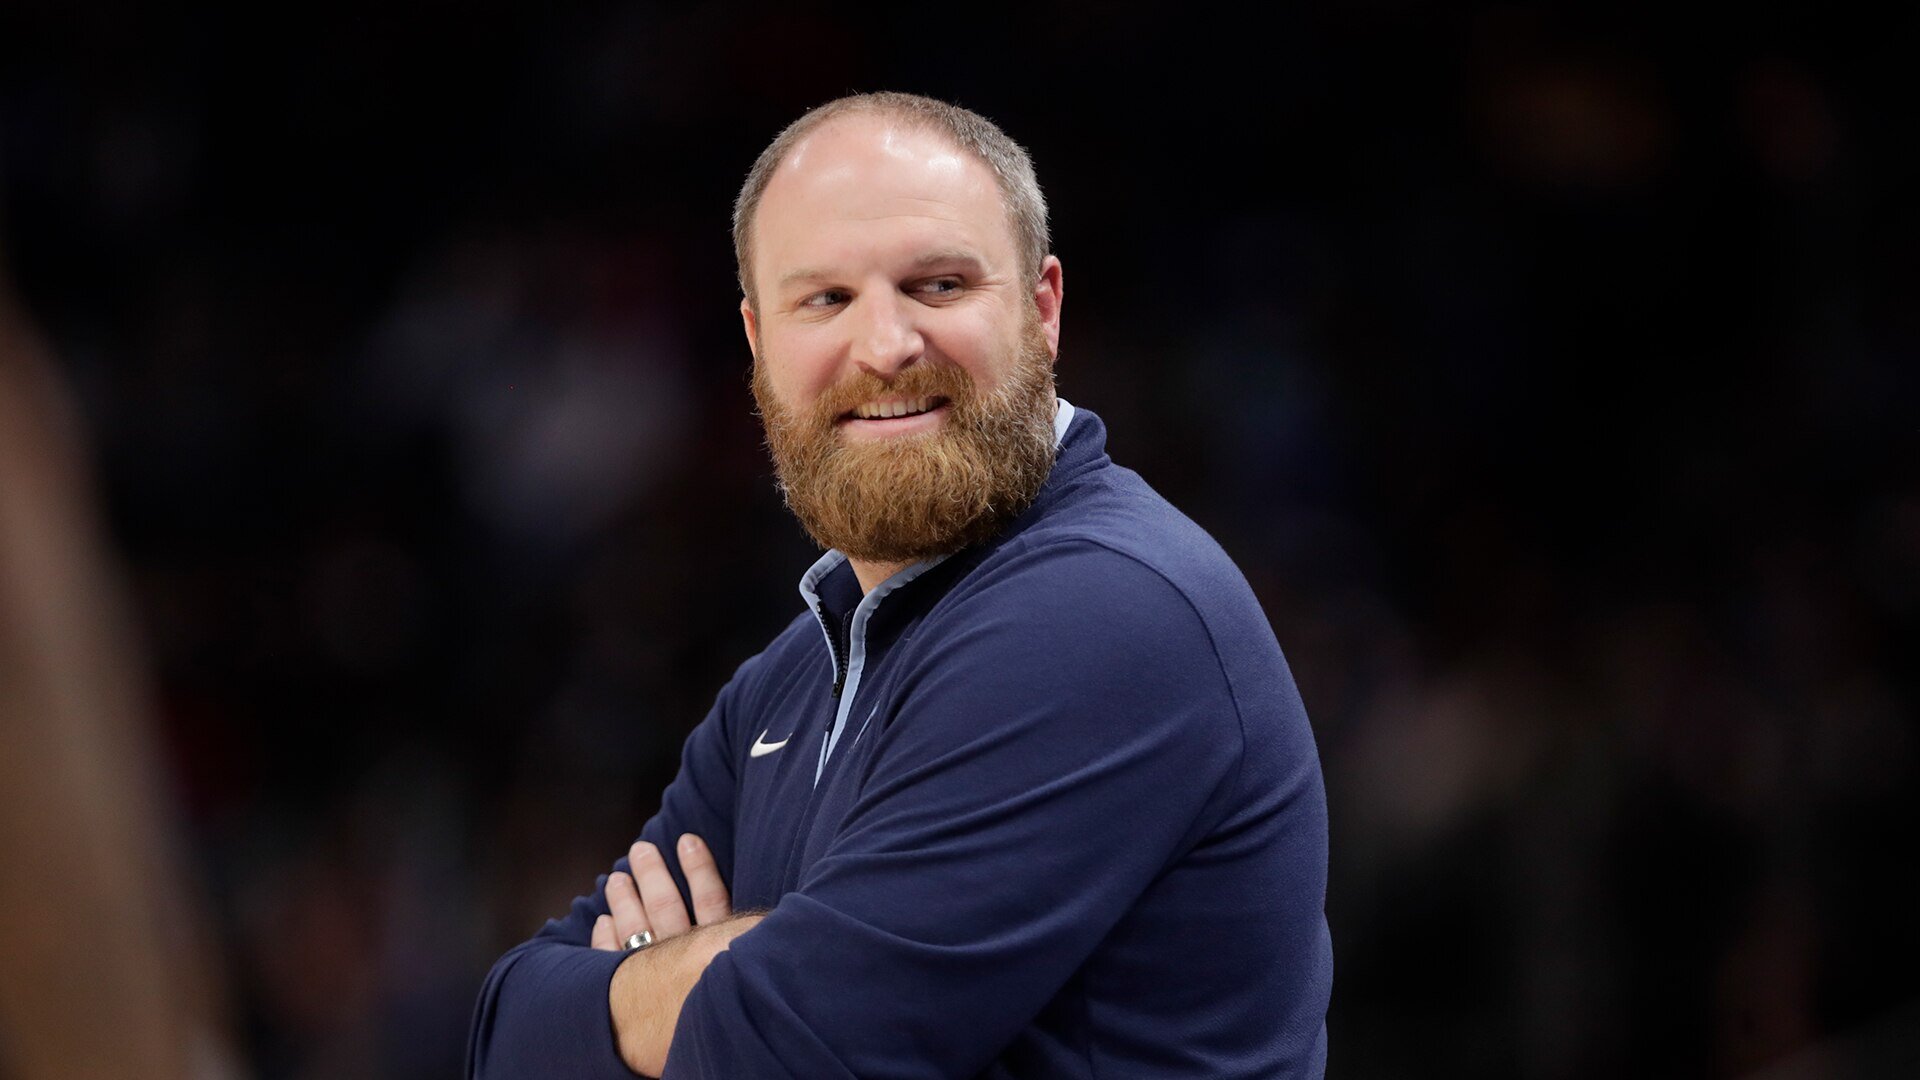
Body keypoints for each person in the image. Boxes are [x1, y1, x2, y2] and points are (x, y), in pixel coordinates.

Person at [467, 92, 1333, 1079]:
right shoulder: (788, 679)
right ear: (757, 344)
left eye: (938, 285)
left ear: (1043, 311)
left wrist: (662, 984)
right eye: (825, 300)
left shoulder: (1108, 613)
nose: (885, 347)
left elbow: (810, 1049)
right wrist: (732, 978)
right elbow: (507, 1036)